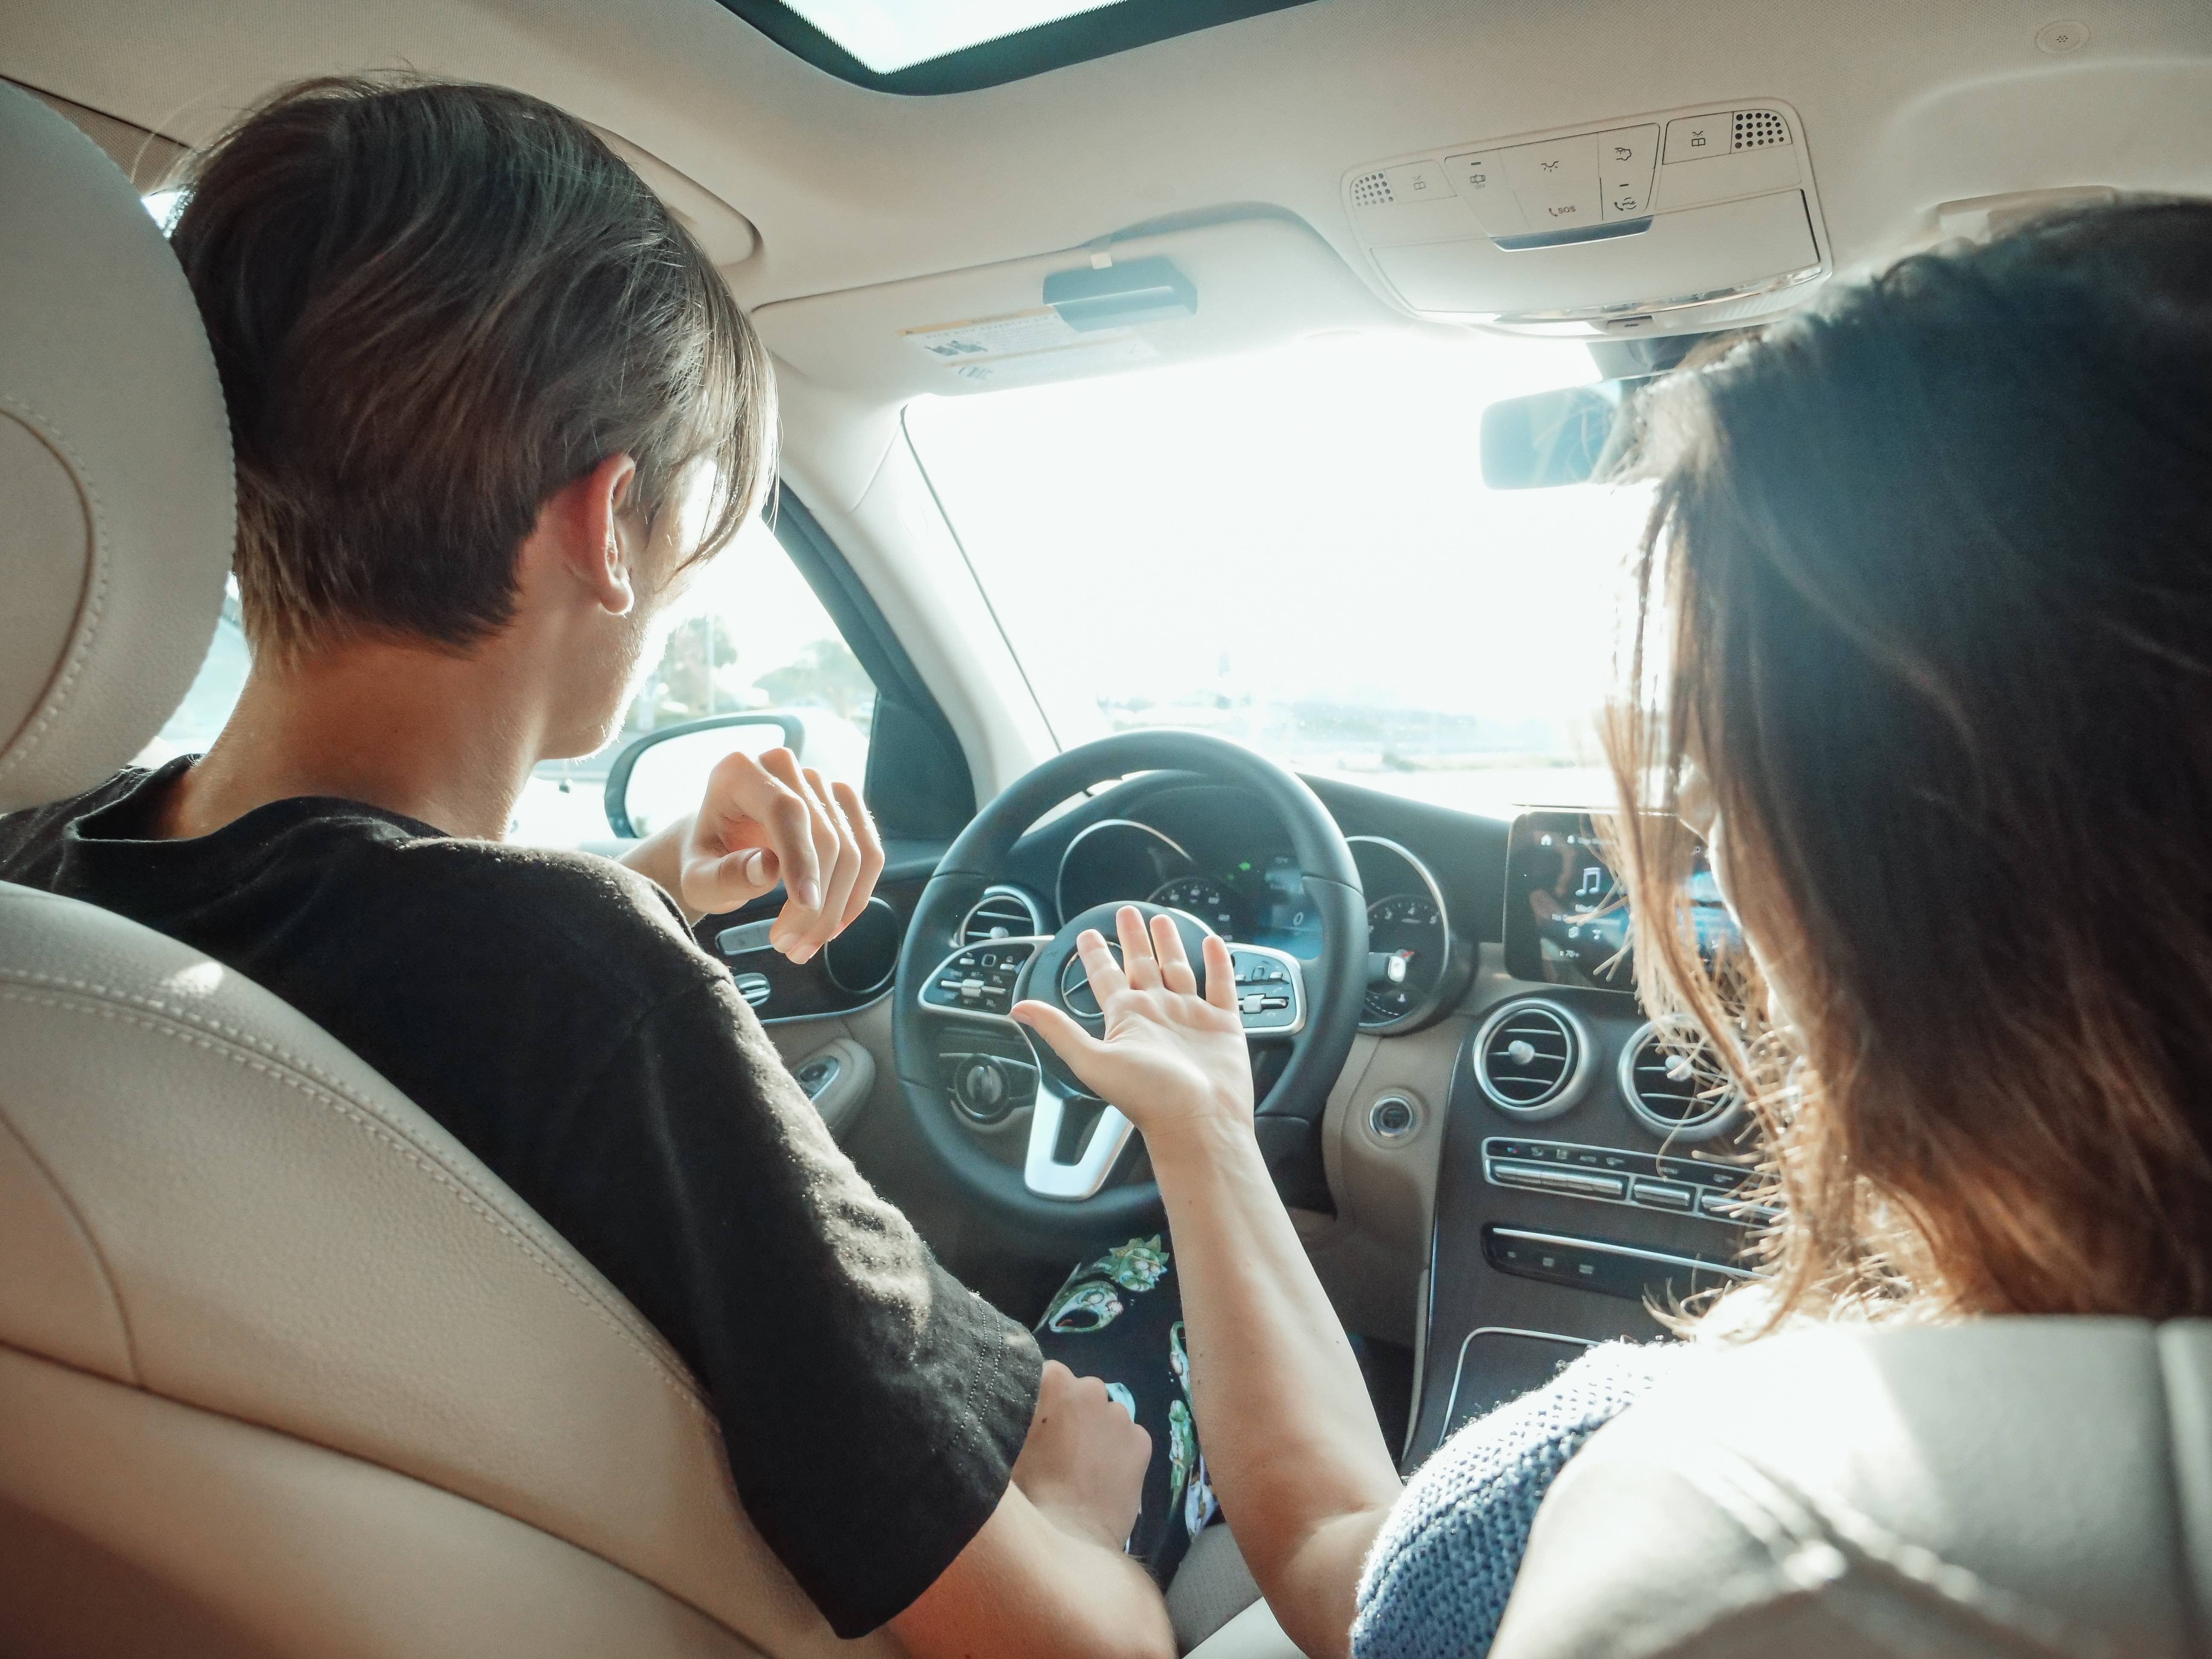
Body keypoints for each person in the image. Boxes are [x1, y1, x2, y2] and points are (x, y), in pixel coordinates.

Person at [0, 76, 1173, 1659]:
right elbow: (1066, 1646)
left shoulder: (51, 885)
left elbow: (380, 956)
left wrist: (653, 881)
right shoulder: (596, 988)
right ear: (611, 522)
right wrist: (1096, 1517)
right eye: (701, 534)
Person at [1013, 197, 2212, 1658]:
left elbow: (1334, 1561)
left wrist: (1204, 1132)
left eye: (1716, 814)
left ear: (1857, 891)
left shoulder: (1680, 1491)